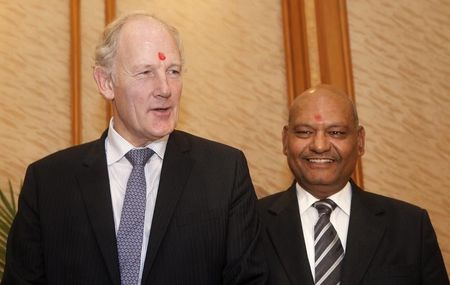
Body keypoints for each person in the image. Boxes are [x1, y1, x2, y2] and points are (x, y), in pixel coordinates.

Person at [2, 12, 267, 285]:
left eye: (173, 71)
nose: (165, 89)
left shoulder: (224, 172)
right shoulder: (48, 182)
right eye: (145, 72)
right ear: (105, 82)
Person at [257, 84, 449, 284]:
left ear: (360, 141)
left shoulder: (410, 227)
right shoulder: (250, 224)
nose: (319, 146)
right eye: (305, 132)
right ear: (285, 140)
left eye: (336, 132)